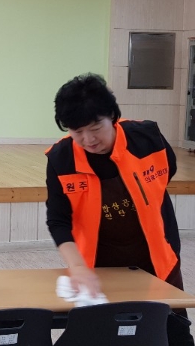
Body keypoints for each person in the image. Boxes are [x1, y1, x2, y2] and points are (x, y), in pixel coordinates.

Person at [46, 73, 194, 346]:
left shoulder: (147, 138)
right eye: (77, 132)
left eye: (95, 127)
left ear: (112, 116)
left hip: (158, 259)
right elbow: (58, 220)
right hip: (99, 267)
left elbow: (166, 175)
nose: (88, 139)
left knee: (172, 335)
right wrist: (77, 267)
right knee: (102, 335)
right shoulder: (61, 159)